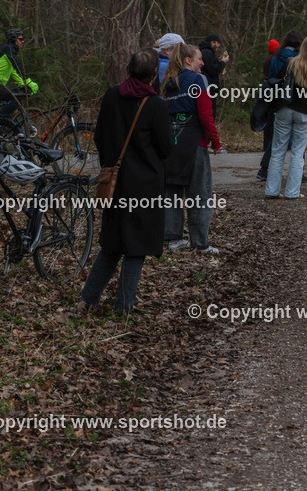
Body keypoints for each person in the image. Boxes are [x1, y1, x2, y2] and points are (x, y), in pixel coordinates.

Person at [81, 49, 173, 313]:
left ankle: (88, 300)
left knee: (111, 244)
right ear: (155, 73)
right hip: (145, 187)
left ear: (129, 69)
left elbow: (99, 137)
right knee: (136, 248)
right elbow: (166, 148)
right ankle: (124, 306)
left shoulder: (111, 96)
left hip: (115, 184)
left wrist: (109, 163)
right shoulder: (155, 105)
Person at [161, 42, 222, 254]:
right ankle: (201, 243)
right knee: (200, 194)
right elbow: (206, 114)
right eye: (199, 59)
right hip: (194, 142)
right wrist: (215, 140)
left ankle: (173, 238)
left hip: (172, 142)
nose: (202, 62)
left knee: (173, 192)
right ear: (188, 60)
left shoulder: (168, 83)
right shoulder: (198, 80)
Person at [265, 35, 307, 199]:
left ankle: (272, 190)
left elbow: (276, 80)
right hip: (305, 113)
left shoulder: (290, 63)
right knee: (298, 154)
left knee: (277, 151)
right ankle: (292, 192)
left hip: (285, 108)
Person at [259, 31, 303, 180]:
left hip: (276, 100)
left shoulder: (275, 57)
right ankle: (299, 172)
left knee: (277, 139)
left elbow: (271, 77)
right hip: (295, 100)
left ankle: (264, 169)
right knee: (298, 138)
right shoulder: (299, 58)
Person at [0, 28, 37, 119]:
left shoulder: (9, 51)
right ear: (14, 39)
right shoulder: (8, 49)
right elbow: (17, 66)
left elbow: (14, 72)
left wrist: (23, 84)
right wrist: (28, 81)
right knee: (16, 100)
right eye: (20, 39)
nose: (23, 41)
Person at [198, 34, 230, 123]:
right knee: (209, 115)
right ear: (213, 43)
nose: (219, 45)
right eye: (218, 43)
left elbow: (211, 66)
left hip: (207, 88)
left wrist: (218, 62)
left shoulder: (206, 52)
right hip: (208, 89)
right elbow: (213, 70)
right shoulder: (207, 53)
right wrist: (223, 63)